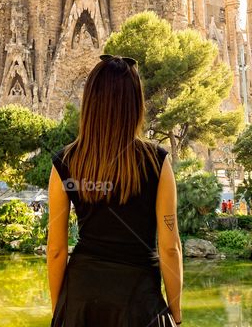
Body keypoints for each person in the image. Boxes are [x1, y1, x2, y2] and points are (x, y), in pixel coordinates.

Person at [47, 54, 182, 327]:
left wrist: (61, 310)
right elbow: (170, 248)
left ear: (90, 102)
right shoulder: (157, 161)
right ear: (135, 105)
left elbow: (56, 250)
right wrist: (176, 315)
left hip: (80, 300)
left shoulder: (65, 162)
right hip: (140, 302)